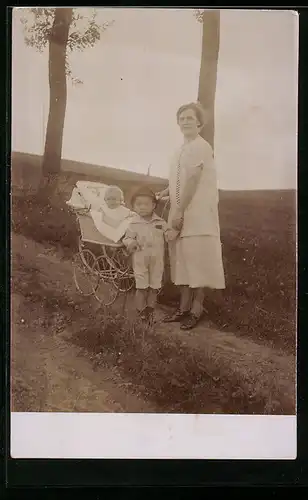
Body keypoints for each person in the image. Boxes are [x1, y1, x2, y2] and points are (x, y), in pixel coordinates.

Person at [156, 102, 225, 330]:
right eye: (182, 118)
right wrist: (166, 193)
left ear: (199, 123)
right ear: (178, 123)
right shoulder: (180, 149)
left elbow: (194, 180)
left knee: (197, 260)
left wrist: (180, 211)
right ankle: (183, 308)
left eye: (190, 118)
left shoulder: (201, 146)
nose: (185, 121)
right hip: (181, 207)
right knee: (181, 259)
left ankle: (197, 309)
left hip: (196, 212)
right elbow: (180, 180)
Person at [122, 186, 169, 323]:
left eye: (146, 204)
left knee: (154, 288)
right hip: (140, 259)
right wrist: (130, 243)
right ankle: (141, 312)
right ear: (134, 207)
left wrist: (172, 233)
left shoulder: (160, 222)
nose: (142, 207)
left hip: (157, 261)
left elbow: (168, 235)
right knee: (142, 287)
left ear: (154, 205)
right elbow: (127, 238)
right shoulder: (133, 223)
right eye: (138, 204)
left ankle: (150, 311)